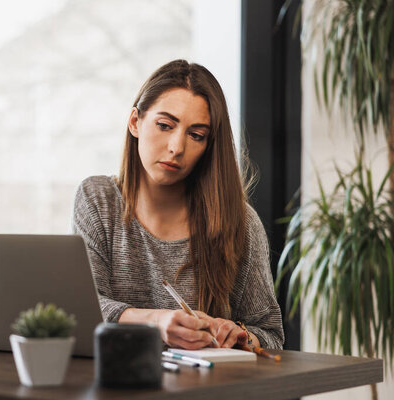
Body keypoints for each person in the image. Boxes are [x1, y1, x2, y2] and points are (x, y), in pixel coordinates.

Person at [72, 60, 284, 350]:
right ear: (135, 122)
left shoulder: (240, 221)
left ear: (208, 145)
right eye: (164, 125)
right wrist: (156, 322)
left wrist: (240, 334)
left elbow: (271, 336)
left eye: (196, 135)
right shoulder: (97, 199)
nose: (176, 147)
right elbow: (85, 308)